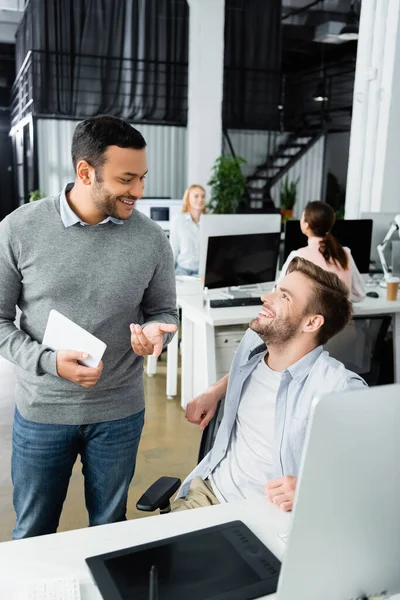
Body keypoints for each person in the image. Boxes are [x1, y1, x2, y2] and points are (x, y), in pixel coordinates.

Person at [0, 115, 179, 539]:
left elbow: (165, 312)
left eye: (142, 178)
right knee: (34, 533)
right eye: (127, 179)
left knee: (109, 531)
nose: (138, 191)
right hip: (43, 411)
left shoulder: (152, 238)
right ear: (85, 171)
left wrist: (157, 334)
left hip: (120, 412)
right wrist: (48, 362)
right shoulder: (19, 229)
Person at [172, 258, 367, 512]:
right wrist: (215, 391)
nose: (266, 297)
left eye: (284, 297)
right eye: (275, 288)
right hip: (208, 492)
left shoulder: (336, 388)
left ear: (311, 323)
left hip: (266, 516)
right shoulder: (254, 340)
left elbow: (377, 472)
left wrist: (314, 487)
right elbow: (245, 371)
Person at [279, 201, 365, 302]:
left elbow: (277, 292)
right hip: (340, 317)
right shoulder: (344, 253)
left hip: (312, 316)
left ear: (306, 225)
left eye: (302, 217)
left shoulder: (298, 256)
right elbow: (359, 294)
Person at [169, 184, 206, 275]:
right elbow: (173, 248)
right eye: (196, 196)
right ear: (188, 199)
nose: (200, 199)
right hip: (183, 270)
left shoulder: (209, 221)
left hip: (202, 272)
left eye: (203, 196)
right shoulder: (178, 220)